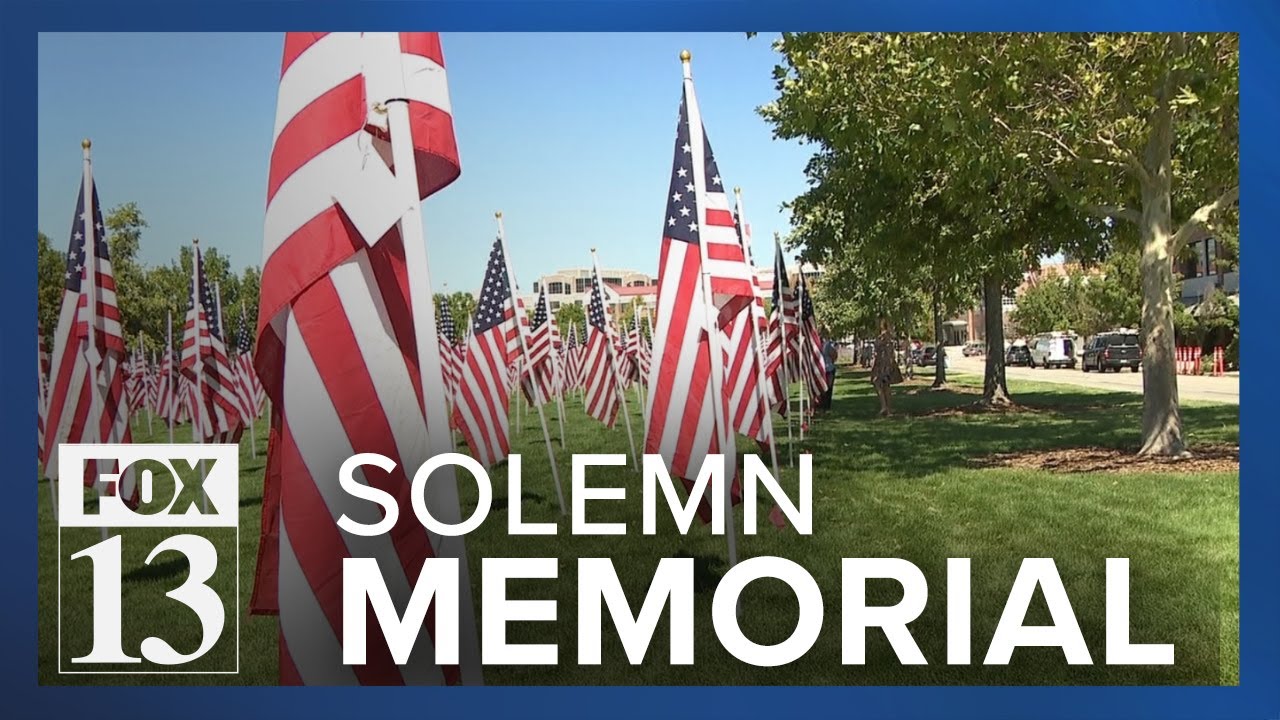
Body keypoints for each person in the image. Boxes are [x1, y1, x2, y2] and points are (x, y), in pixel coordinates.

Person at [870, 317, 900, 417]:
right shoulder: (888, 336)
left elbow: (885, 351)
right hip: (884, 364)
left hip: (883, 364)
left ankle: (885, 407)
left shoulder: (884, 337)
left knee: (880, 384)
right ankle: (886, 408)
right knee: (884, 386)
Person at [820, 330, 838, 410]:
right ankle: (823, 405)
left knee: (827, 388)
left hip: (828, 368)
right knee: (824, 388)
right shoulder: (821, 344)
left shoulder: (828, 344)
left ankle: (826, 406)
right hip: (824, 369)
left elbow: (834, 355)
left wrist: (831, 362)